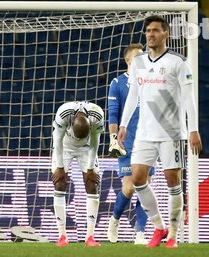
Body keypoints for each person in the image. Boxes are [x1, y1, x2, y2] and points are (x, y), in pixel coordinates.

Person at [118, 15, 202, 248]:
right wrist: (123, 124)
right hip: (145, 132)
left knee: (172, 180)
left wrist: (193, 130)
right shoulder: (139, 62)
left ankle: (173, 235)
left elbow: (189, 99)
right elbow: (133, 95)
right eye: (148, 31)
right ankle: (159, 226)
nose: (150, 34)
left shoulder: (179, 62)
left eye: (155, 30)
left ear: (166, 34)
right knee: (137, 178)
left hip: (171, 133)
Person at [107, 43, 155, 245]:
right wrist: (113, 140)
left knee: (145, 186)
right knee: (129, 187)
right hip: (126, 143)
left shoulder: (151, 82)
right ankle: (114, 220)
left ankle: (140, 234)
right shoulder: (118, 83)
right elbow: (113, 114)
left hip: (148, 141)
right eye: (139, 56)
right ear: (129, 61)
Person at [51, 101, 104, 247]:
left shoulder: (97, 115)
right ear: (71, 124)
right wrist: (60, 168)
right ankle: (62, 236)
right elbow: (57, 140)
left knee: (92, 184)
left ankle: (90, 238)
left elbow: (95, 142)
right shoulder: (63, 113)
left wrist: (90, 169)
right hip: (64, 147)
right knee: (59, 183)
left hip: (87, 149)